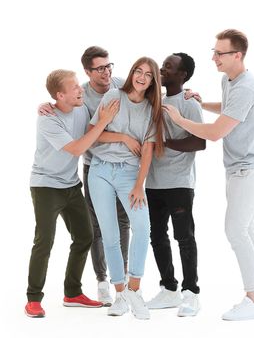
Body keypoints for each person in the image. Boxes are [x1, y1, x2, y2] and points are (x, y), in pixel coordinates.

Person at [163, 29, 254, 321]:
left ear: (237, 55)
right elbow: (229, 110)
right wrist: (202, 104)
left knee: (235, 231)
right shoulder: (229, 80)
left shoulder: (247, 87)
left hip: (248, 169)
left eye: (220, 53)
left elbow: (213, 134)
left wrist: (179, 118)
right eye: (213, 52)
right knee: (248, 230)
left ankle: (252, 300)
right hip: (242, 167)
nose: (213, 58)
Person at [38, 46, 132, 306]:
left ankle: (121, 278)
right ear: (87, 72)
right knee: (96, 228)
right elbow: (88, 134)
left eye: (109, 65)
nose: (106, 72)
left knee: (123, 223)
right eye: (99, 68)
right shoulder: (80, 95)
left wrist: (188, 96)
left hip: (124, 166)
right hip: (95, 166)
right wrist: (48, 105)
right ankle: (102, 280)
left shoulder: (122, 86)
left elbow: (153, 95)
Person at [25, 69, 119, 318]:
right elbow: (77, 148)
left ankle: (73, 293)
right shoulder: (47, 119)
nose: (81, 90)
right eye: (75, 87)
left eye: (79, 85)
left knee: (85, 236)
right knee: (44, 241)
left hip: (71, 185)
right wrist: (102, 122)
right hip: (46, 186)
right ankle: (33, 298)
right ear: (60, 95)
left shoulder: (81, 108)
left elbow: (94, 130)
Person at [88, 56, 164, 320]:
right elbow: (93, 133)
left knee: (142, 228)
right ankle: (119, 293)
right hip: (99, 171)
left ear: (154, 80)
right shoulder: (112, 97)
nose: (142, 77)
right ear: (132, 73)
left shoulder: (152, 109)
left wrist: (139, 185)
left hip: (130, 174)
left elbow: (148, 151)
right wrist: (122, 136)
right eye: (138, 72)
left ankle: (134, 289)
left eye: (148, 75)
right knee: (110, 235)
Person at [145, 53, 205, 317]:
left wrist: (166, 144)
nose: (162, 68)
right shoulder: (153, 98)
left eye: (169, 66)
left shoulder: (189, 103)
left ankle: (190, 292)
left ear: (183, 75)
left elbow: (200, 141)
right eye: (163, 64)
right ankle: (169, 289)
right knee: (157, 236)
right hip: (153, 182)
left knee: (184, 237)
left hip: (180, 183)